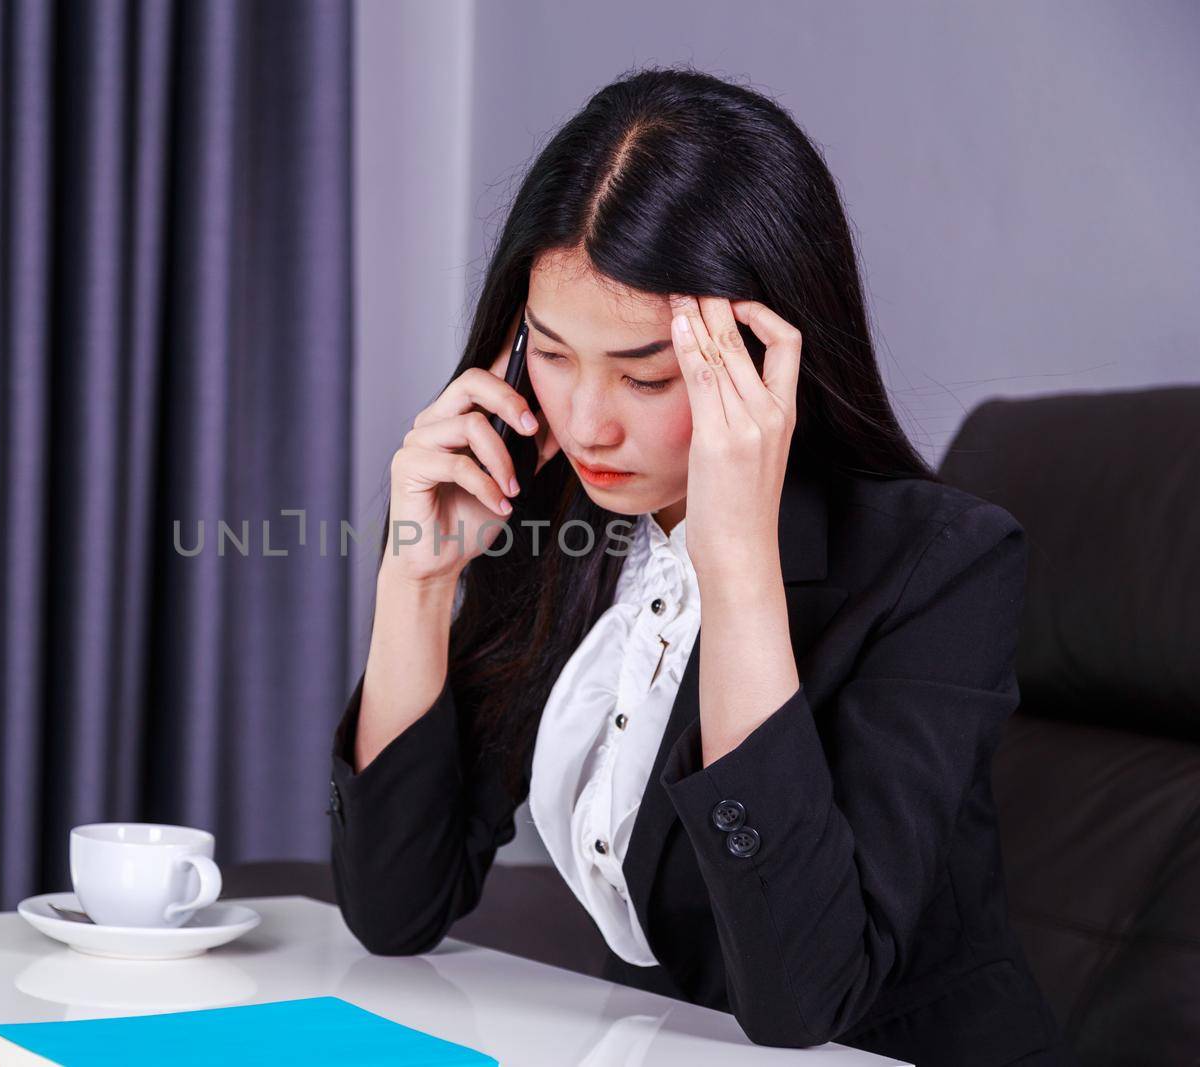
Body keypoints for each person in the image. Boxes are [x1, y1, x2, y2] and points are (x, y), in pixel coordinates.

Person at [325, 66, 1076, 1066]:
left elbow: (801, 1000)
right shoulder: (564, 518)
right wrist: (416, 578)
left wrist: (734, 565)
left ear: (762, 354)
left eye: (646, 373)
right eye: (549, 352)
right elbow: (395, 907)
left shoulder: (941, 565)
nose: (587, 421)